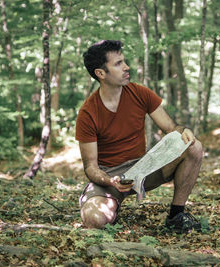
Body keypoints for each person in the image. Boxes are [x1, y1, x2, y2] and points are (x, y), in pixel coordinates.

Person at [76, 40, 203, 233]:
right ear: (100, 73)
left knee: (193, 146)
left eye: (124, 61)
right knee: (94, 220)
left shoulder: (139, 93)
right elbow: (91, 167)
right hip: (109, 176)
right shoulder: (88, 112)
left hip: (144, 168)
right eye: (118, 64)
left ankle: (176, 216)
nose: (126, 67)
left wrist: (184, 131)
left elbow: (171, 127)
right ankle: (111, 204)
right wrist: (110, 182)